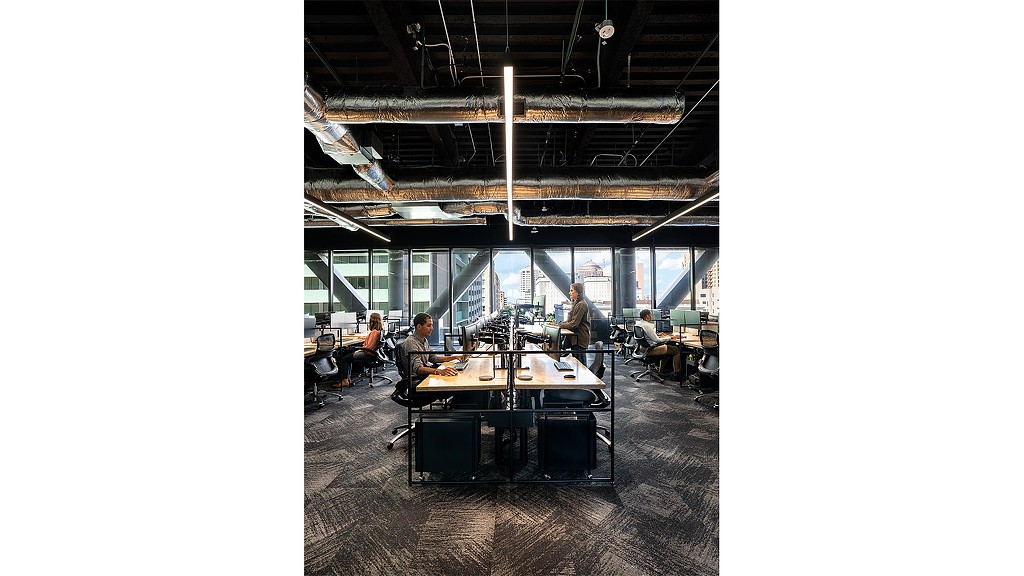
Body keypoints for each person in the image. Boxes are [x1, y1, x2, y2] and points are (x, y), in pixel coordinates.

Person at [396, 312, 465, 390]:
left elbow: (434, 358)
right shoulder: (411, 343)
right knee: (455, 384)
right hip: (419, 381)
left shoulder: (424, 340)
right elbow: (418, 369)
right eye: (429, 325)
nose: (431, 328)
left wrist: (454, 357)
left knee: (454, 378)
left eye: (431, 325)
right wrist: (439, 371)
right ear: (419, 326)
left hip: (425, 375)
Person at [333, 311, 384, 388]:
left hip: (369, 354)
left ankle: (345, 380)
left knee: (345, 359)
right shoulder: (378, 331)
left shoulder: (374, 332)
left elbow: (369, 348)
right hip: (372, 354)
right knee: (348, 356)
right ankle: (347, 379)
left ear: (372, 321)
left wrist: (359, 350)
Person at [635, 308, 682, 379]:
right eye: (650, 314)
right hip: (650, 349)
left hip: (642, 348)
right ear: (647, 316)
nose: (652, 316)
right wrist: (671, 337)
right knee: (676, 351)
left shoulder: (639, 324)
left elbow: (648, 337)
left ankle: (661, 371)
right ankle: (676, 373)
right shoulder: (647, 326)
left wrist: (657, 334)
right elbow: (657, 340)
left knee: (667, 348)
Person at [555, 282, 591, 364]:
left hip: (580, 339)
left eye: (571, 291)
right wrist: (558, 324)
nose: (569, 293)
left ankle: (583, 377)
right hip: (576, 338)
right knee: (577, 363)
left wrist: (559, 325)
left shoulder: (581, 305)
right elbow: (569, 321)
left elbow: (574, 324)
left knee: (581, 365)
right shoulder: (576, 304)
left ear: (578, 292)